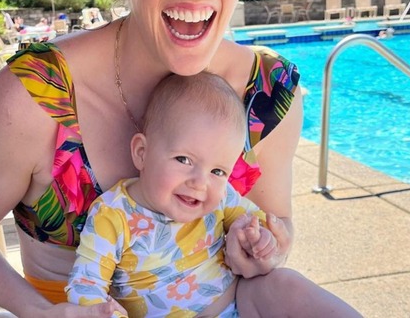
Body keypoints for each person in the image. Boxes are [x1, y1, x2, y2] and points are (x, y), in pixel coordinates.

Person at [0, 0, 363, 316]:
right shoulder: (31, 97)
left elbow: (278, 222)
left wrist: (265, 249)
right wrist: (38, 312)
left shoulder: (267, 92)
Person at [66, 73, 279, 317]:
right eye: (184, 159)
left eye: (218, 171)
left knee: (286, 282)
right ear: (142, 152)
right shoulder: (114, 215)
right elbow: (85, 284)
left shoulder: (222, 198)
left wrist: (258, 237)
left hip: (241, 302)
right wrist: (103, 311)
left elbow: (256, 219)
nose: (200, 182)